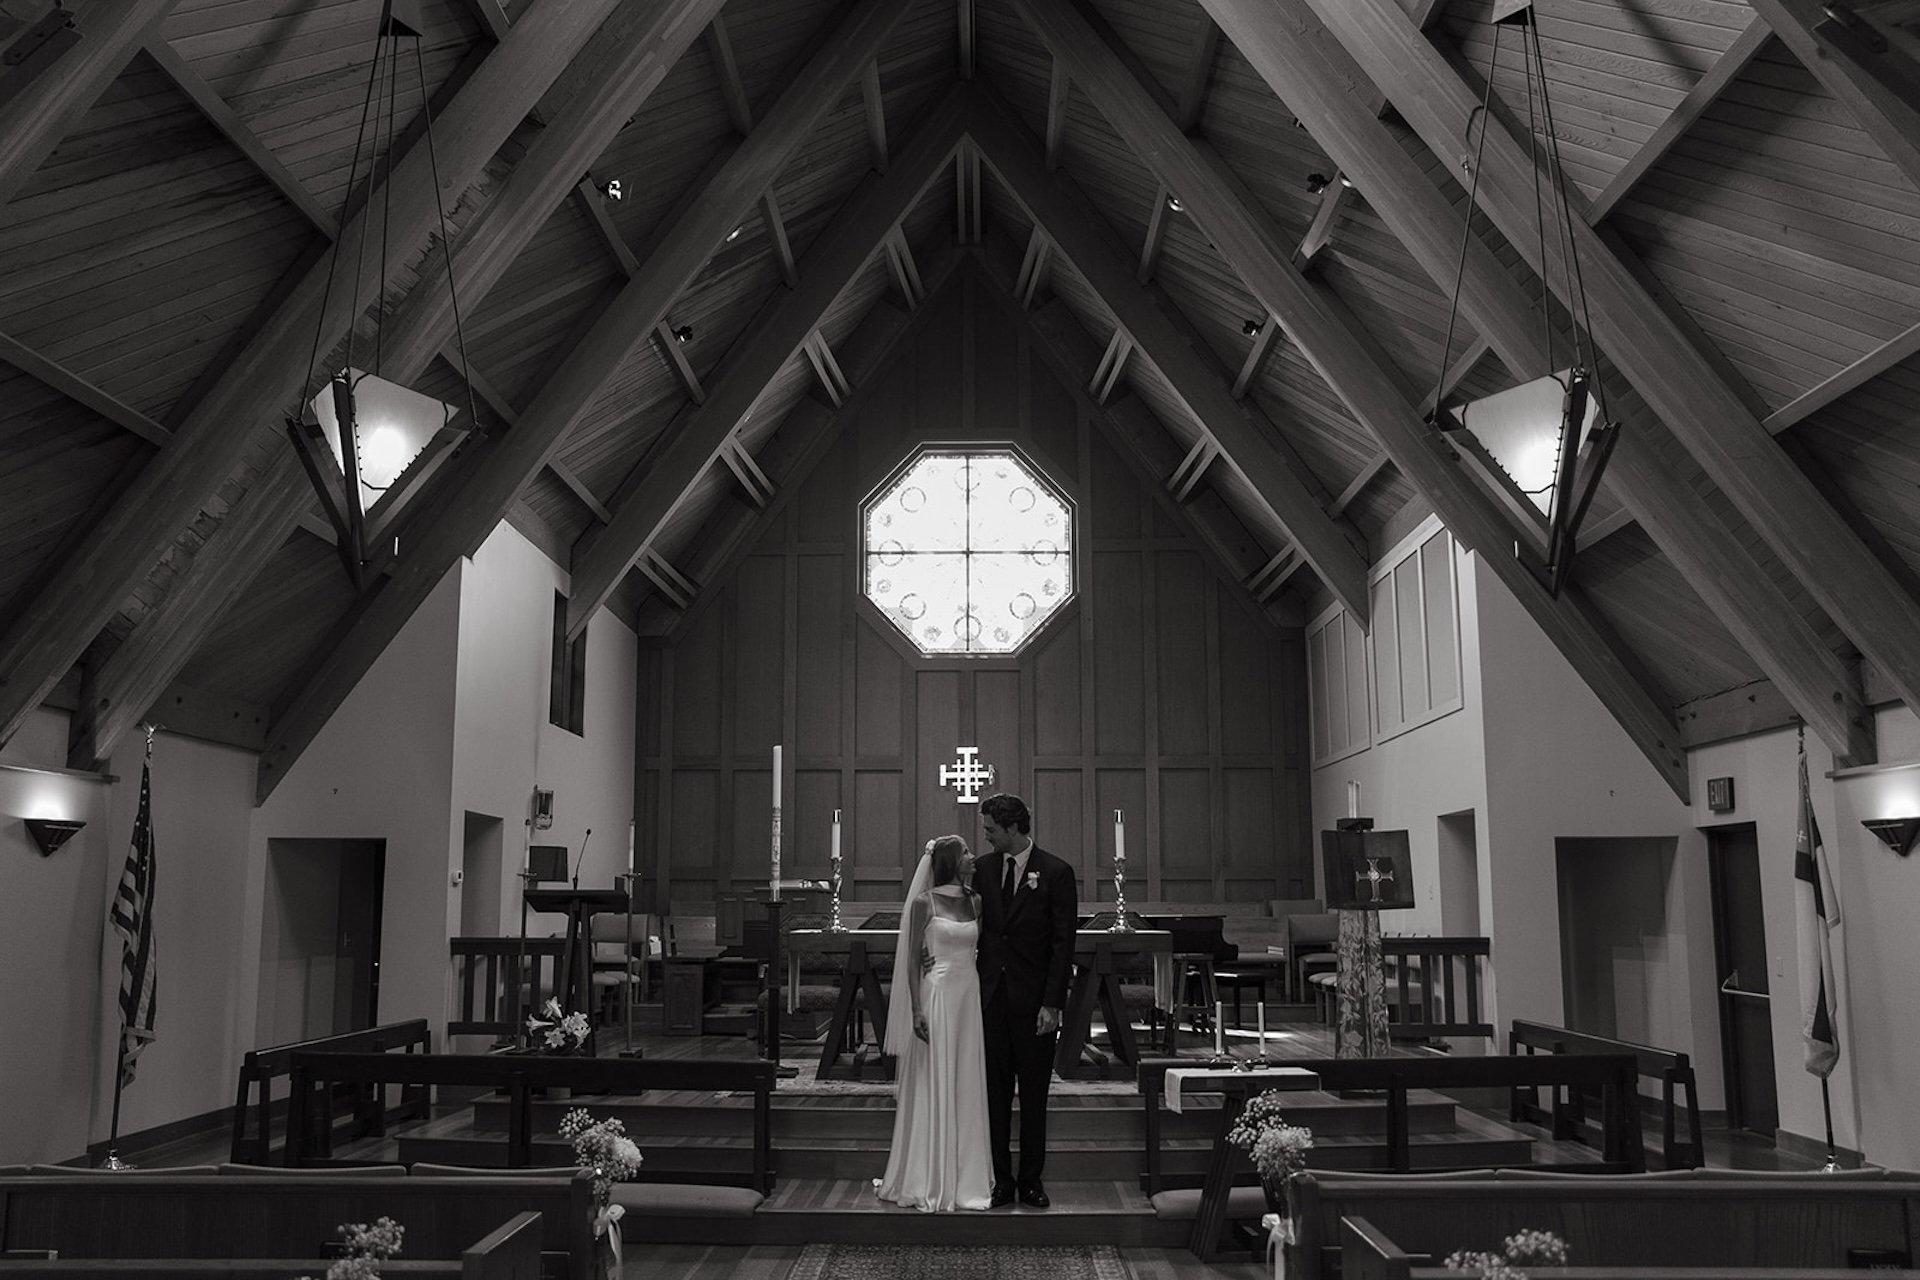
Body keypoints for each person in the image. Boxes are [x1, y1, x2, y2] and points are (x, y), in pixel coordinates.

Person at [874, 835, 993, 1212]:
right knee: (935, 1078)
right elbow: (911, 961)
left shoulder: (977, 901)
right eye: (966, 853)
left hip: (968, 995)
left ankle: (967, 1177)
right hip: (937, 993)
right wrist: (916, 1010)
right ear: (950, 861)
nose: (973, 857)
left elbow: (981, 949)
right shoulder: (924, 903)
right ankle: (927, 1174)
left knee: (966, 1077)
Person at [975, 792, 1077, 1209]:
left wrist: (1052, 1004)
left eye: (991, 829)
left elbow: (1062, 943)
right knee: (994, 1096)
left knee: (1034, 1095)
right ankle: (1001, 1180)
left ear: (1013, 827)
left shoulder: (1056, 872)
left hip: (1035, 1003)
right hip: (990, 1000)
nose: (986, 837)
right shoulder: (981, 870)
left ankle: (1031, 1180)